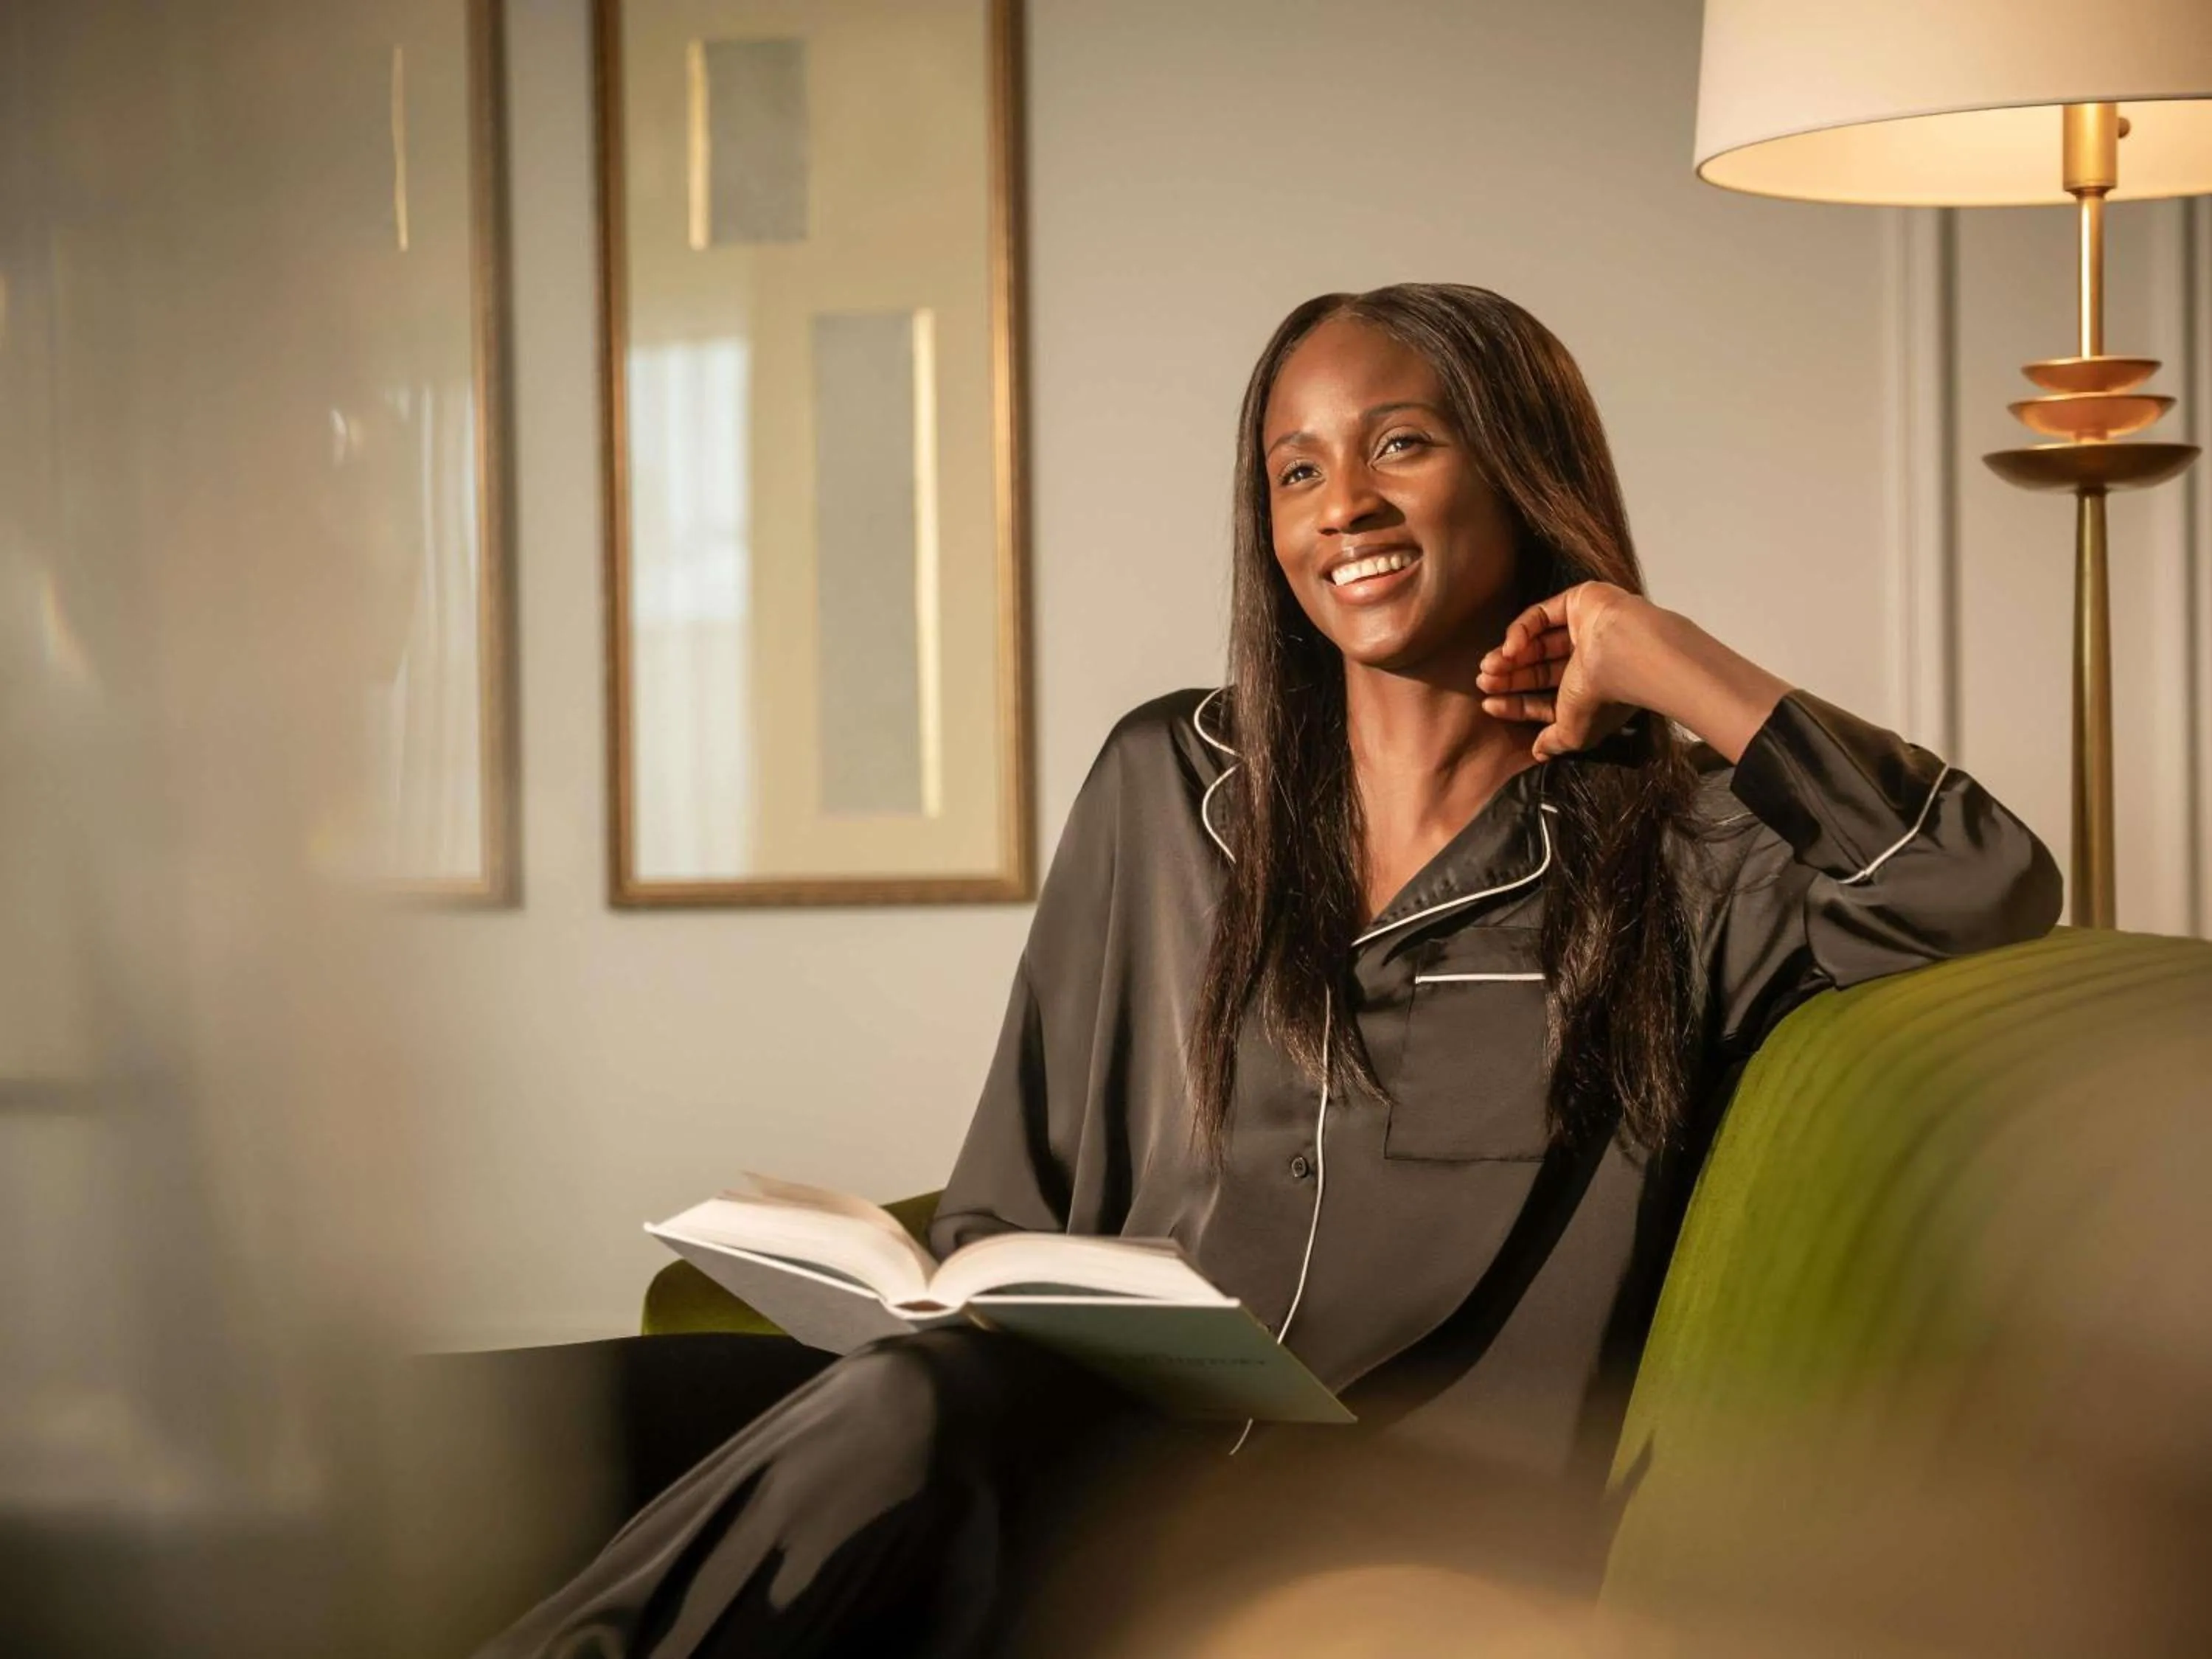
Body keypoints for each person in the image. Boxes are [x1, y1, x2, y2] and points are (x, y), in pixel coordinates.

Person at [479, 284, 2060, 1658]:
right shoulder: (1165, 782)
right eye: (1296, 470)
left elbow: (1979, 882)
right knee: (523, 1427)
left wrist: (1668, 655)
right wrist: (952, 1302)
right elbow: (1010, 1191)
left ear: (1522, 471)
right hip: (1073, 1443)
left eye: (1400, 445)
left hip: (1364, 1525)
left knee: (901, 1419)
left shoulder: (1686, 856)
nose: (1341, 507)